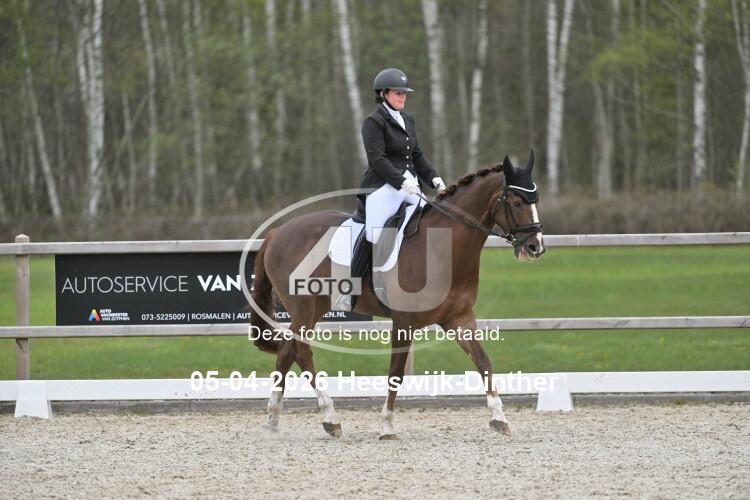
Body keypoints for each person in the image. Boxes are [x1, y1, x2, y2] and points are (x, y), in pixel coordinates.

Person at [358, 68, 446, 246]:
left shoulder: (407, 119)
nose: (403, 97)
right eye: (398, 93)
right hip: (383, 187)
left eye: (404, 93)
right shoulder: (373, 122)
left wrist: (434, 178)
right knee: (374, 237)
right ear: (383, 94)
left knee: (431, 226)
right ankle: (362, 264)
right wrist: (401, 181)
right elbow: (377, 159)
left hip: (411, 186)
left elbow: (416, 154)